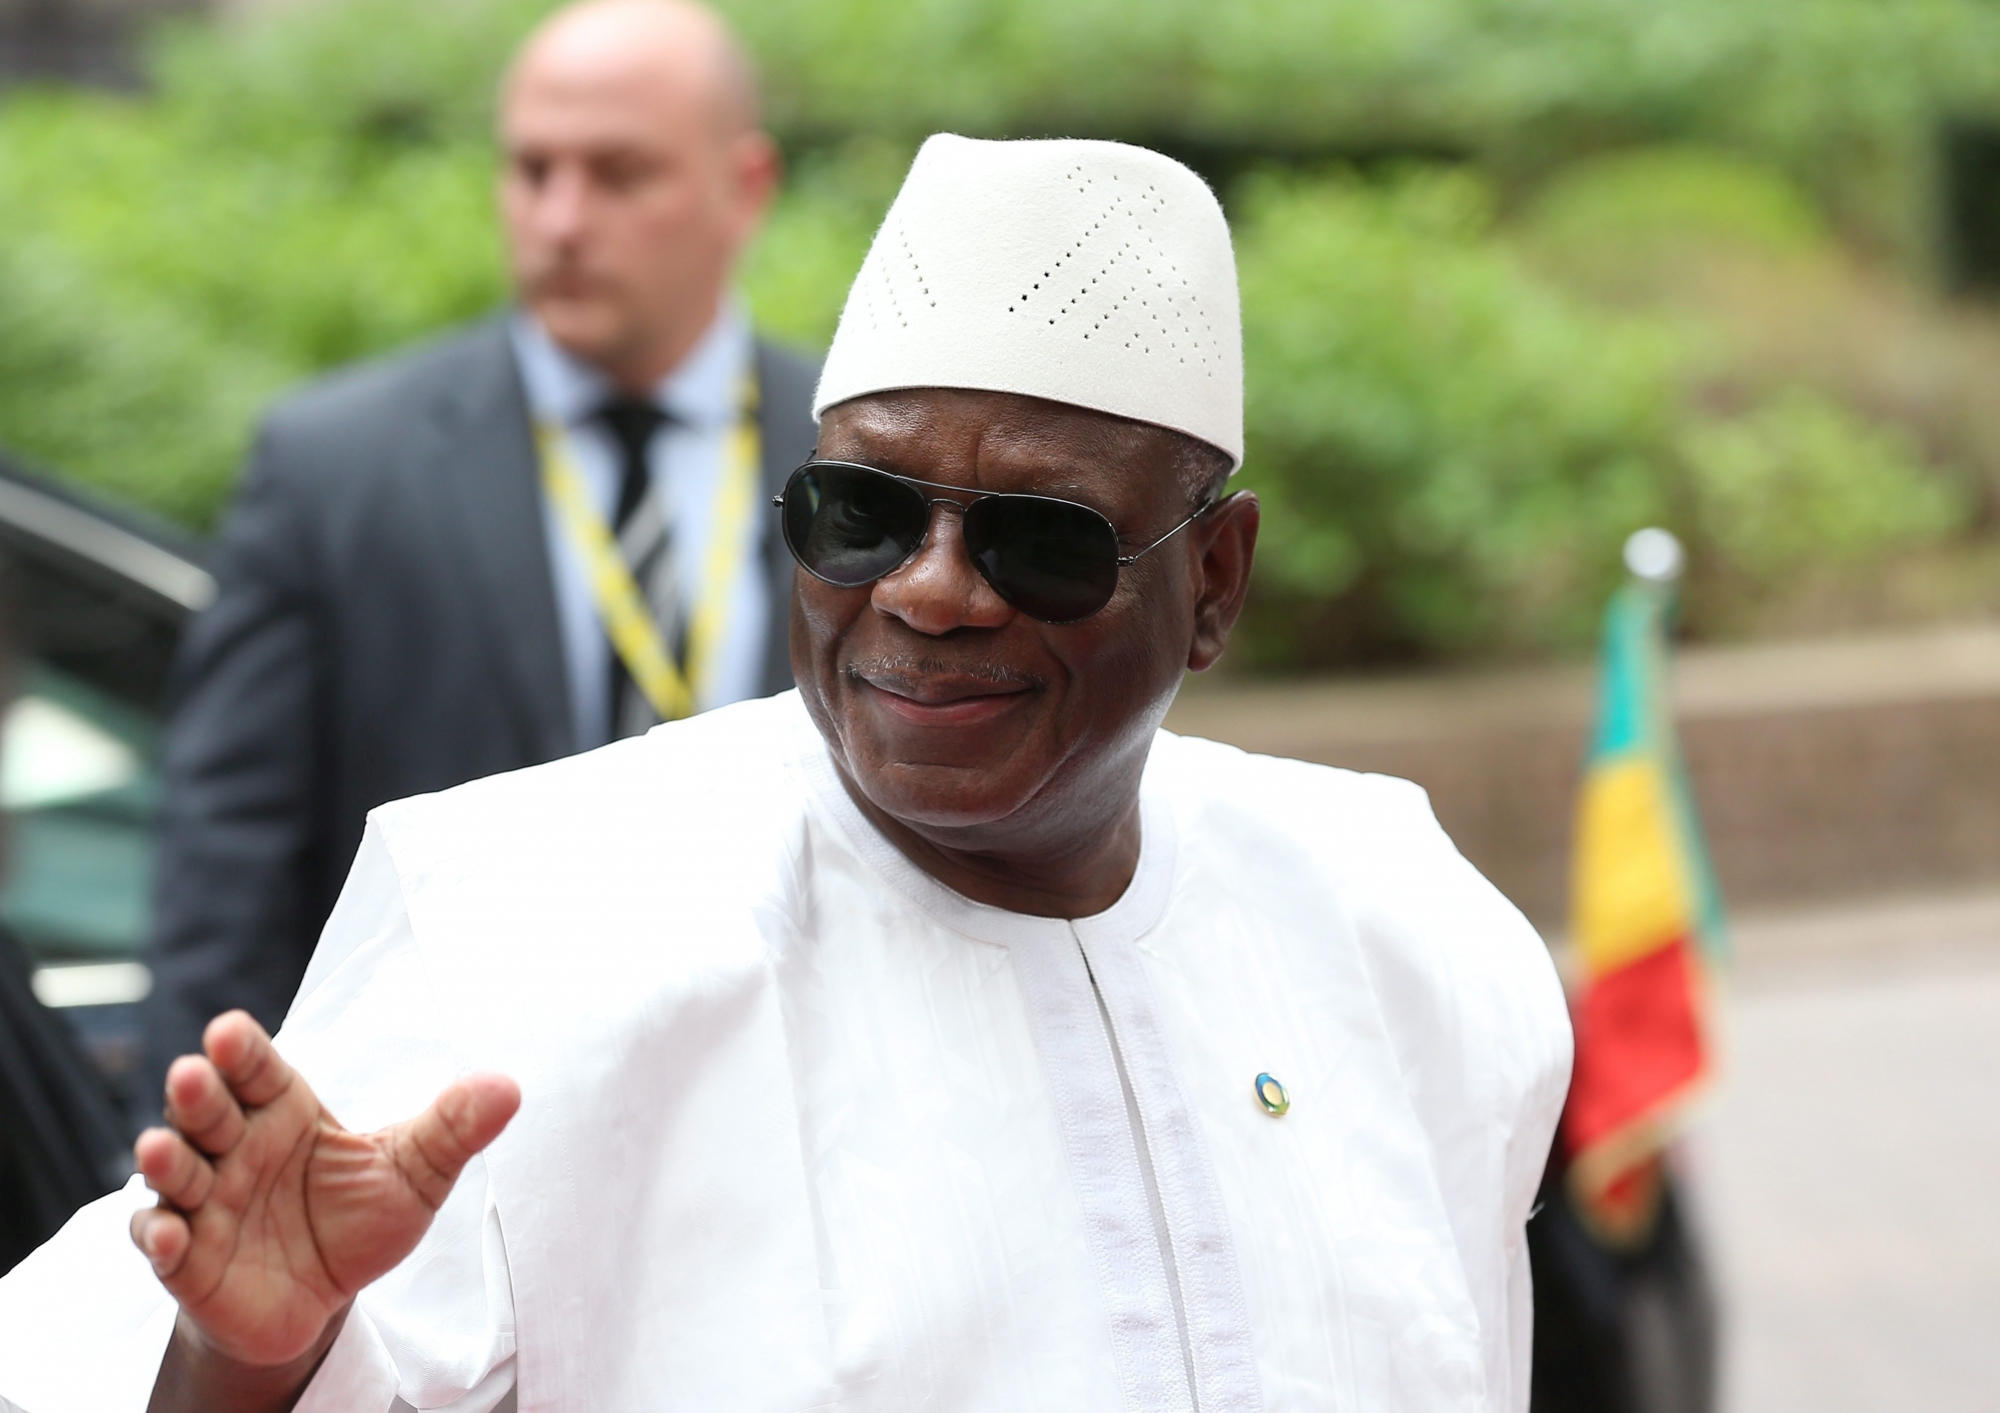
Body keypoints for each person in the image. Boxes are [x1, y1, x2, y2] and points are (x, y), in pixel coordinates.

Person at [0, 135, 1571, 1413]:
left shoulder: (1401, 931)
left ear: (1216, 579)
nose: (933, 591)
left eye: (1040, 538)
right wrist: (251, 1362)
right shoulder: (532, 920)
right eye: (863, 514)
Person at [138, 0, 819, 1108]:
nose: (559, 218)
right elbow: (226, 876)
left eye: (617, 173)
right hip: (437, 1191)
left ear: (744, 188)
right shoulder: (337, 469)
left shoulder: (861, 454)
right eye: (530, 169)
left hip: (783, 1157)